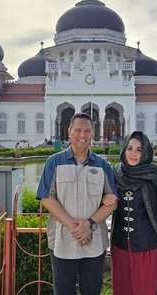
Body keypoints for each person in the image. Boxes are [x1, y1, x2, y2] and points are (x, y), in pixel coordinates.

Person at [36, 113, 117, 295]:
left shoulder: (103, 166)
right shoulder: (54, 163)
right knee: (63, 291)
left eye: (88, 131)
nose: (83, 135)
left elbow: (112, 202)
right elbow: (47, 198)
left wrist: (89, 225)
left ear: (93, 133)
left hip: (94, 242)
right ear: (69, 132)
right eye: (78, 130)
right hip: (62, 241)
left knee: (92, 290)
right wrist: (77, 228)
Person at [106, 131, 157, 294]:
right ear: (123, 150)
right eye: (129, 148)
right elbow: (101, 196)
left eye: (139, 150)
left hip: (149, 250)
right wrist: (105, 199)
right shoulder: (116, 174)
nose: (133, 153)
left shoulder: (156, 178)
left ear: (145, 153)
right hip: (121, 248)